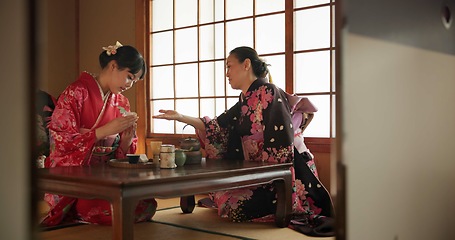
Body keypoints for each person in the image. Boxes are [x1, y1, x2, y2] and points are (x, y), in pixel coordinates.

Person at [153, 46, 334, 236]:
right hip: (260, 170)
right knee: (222, 197)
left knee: (234, 207)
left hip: (286, 170)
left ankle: (285, 202)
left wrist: (274, 177)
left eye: (229, 66)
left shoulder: (270, 92)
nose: (226, 73)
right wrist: (180, 116)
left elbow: (281, 142)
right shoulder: (244, 100)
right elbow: (216, 126)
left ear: (246, 64)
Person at [40, 41, 157, 226]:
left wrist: (125, 143)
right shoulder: (75, 92)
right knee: (106, 210)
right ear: (113, 66)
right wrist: (104, 131)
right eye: (129, 77)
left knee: (145, 204)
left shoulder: (122, 103)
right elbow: (61, 142)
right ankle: (76, 208)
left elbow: (122, 155)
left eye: (134, 81)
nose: (130, 84)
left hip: (105, 178)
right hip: (78, 178)